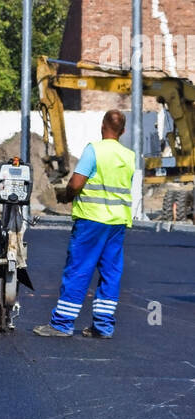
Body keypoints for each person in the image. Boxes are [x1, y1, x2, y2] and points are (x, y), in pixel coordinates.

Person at [33, 109, 136, 339]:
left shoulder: (94, 150)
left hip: (92, 219)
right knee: (110, 272)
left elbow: (77, 182)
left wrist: (66, 195)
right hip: (117, 222)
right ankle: (103, 326)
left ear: (102, 126)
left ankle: (62, 324)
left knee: (79, 269)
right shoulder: (128, 156)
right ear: (124, 131)